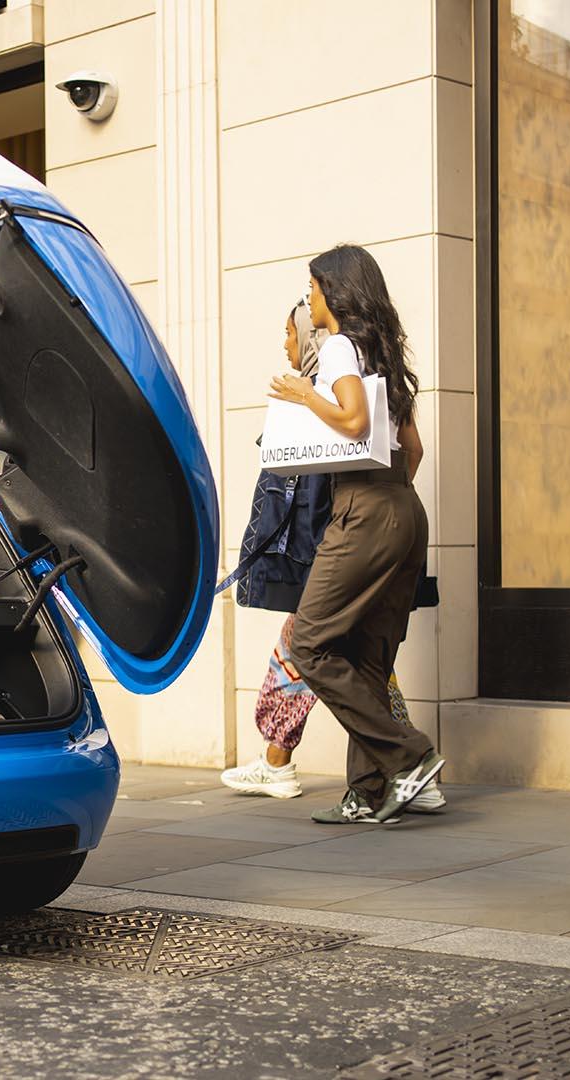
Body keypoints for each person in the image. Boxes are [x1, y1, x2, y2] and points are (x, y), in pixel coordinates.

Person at [219, 303, 442, 812]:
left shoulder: (328, 381)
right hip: (395, 515)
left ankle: (407, 760)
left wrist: (356, 527)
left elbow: (301, 492)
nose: (285, 344)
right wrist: (389, 503)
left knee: (311, 646)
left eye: (288, 331)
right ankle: (369, 790)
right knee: (366, 661)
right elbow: (414, 450)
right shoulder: (383, 367)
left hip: (348, 530)